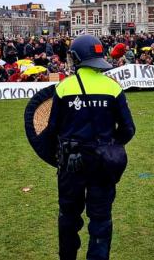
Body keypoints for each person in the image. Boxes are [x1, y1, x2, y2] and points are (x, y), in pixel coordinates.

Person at [48, 35, 136, 260]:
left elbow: (51, 130)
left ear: (76, 57)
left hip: (71, 164)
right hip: (102, 163)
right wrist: (109, 145)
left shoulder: (63, 88)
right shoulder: (112, 87)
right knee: (100, 219)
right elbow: (128, 129)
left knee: (68, 217)